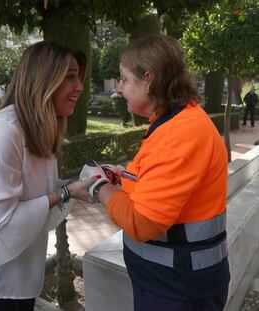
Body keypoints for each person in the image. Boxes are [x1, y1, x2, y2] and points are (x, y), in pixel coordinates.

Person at [81, 35, 230, 310]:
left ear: (148, 79)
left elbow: (143, 223)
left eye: (124, 79)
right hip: (172, 284)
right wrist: (122, 176)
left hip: (178, 291)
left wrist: (99, 187)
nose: (119, 89)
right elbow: (157, 181)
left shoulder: (180, 134)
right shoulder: (173, 122)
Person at [0, 41, 97, 311]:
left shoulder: (42, 127)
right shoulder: (4, 132)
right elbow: (1, 224)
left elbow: (40, 192)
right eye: (71, 77)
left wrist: (79, 184)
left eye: (79, 78)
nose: (80, 87)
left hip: (21, 272)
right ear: (44, 80)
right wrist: (66, 192)